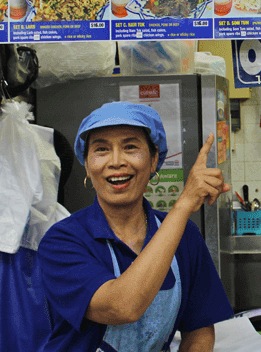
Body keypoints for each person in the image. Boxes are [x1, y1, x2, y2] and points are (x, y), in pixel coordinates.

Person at [38, 101, 234, 352]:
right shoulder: (62, 242)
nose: (116, 161)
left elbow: (199, 330)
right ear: (87, 165)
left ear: (154, 161)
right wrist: (184, 205)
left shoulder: (183, 236)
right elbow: (121, 306)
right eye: (101, 149)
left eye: (130, 147)